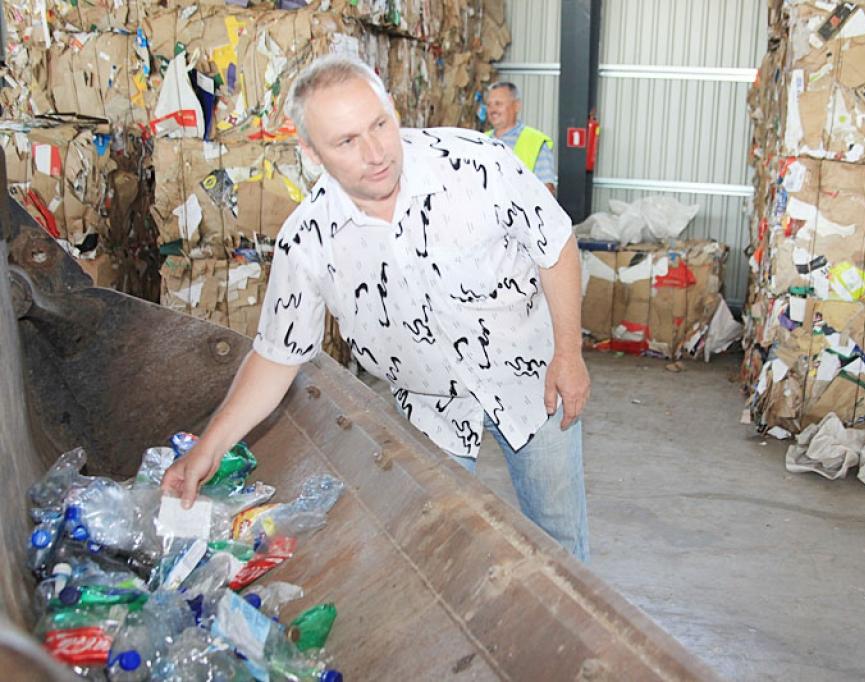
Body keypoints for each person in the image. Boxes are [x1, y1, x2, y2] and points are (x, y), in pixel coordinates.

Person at [160, 55, 592, 562]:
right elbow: (278, 355)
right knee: (436, 552)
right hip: (432, 410)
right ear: (311, 152)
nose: (376, 153)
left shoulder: (476, 164)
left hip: (533, 378)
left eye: (380, 124)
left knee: (559, 539)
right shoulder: (309, 240)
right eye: (346, 142)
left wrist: (569, 351)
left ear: (391, 108)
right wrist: (209, 446)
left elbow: (555, 243)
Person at [485, 82, 557, 195]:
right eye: (489, 105)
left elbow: (546, 193)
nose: (492, 110)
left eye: (498, 104)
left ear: (516, 106)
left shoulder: (535, 143)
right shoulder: (481, 141)